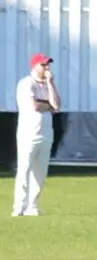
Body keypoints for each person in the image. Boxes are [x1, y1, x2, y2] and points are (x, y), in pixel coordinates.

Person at [13, 53, 59, 217]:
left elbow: (57, 106)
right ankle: (19, 207)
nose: (47, 68)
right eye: (43, 65)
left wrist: (50, 83)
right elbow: (35, 105)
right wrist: (49, 106)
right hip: (29, 133)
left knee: (40, 172)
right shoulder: (26, 84)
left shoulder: (47, 84)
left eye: (48, 65)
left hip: (46, 132)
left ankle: (32, 206)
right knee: (24, 169)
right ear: (35, 66)